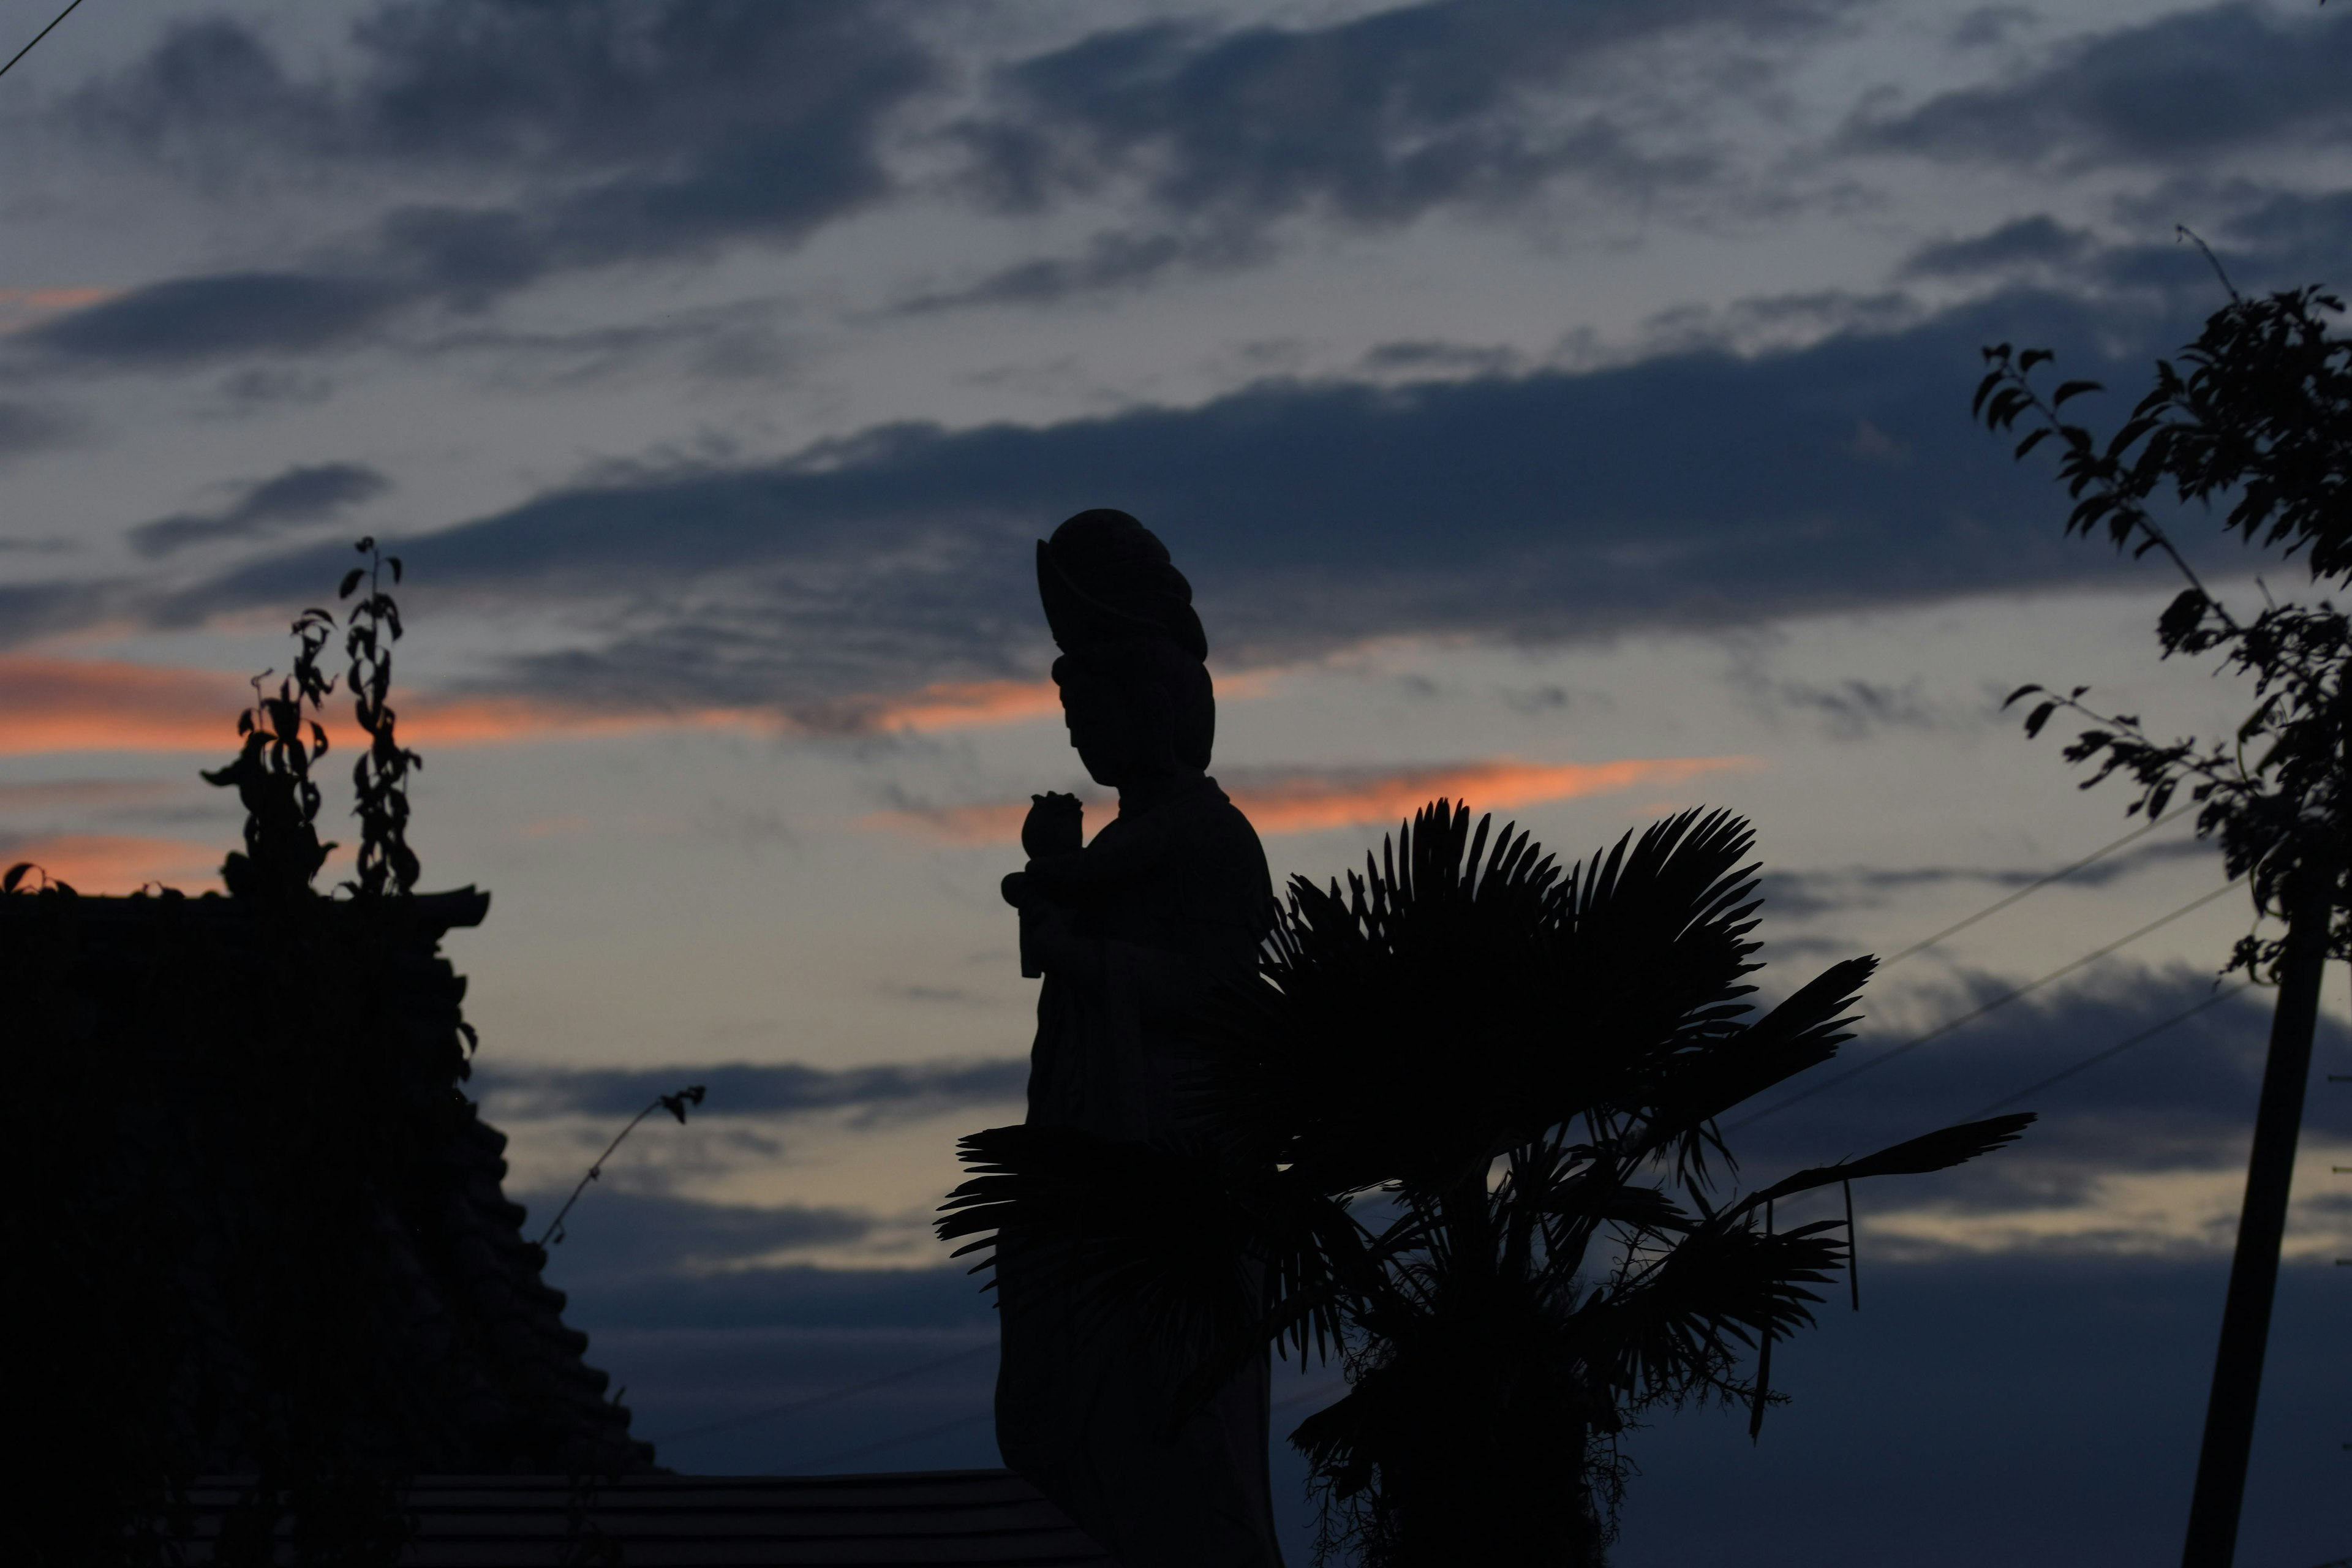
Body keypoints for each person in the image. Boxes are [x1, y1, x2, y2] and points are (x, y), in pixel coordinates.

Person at [993, 509, 1285, 1567]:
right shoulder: (1115, 850)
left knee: (1176, 1433)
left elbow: (1212, 991)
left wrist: (1073, 944)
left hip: (1171, 1183)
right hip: (1083, 1167)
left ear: (1151, 704)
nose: (1078, 729)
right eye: (1066, 704)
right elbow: (1059, 965)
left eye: (1092, 703)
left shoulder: (1208, 840)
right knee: (1060, 1420)